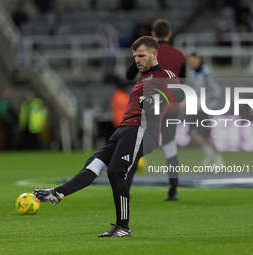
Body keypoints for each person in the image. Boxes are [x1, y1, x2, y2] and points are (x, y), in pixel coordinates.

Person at [33, 36, 184, 238]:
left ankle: (123, 227)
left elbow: (180, 95)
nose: (137, 60)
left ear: (154, 54)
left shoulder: (165, 74)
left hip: (142, 130)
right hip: (124, 129)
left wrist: (153, 100)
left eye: (141, 56)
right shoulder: (144, 78)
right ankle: (58, 193)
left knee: (115, 171)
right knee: (93, 164)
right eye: (135, 57)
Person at [126, 19, 186, 201]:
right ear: (169, 33)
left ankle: (125, 189)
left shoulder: (147, 53)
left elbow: (128, 74)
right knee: (169, 145)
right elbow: (182, 84)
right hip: (170, 108)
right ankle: (173, 190)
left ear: (153, 34)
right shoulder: (178, 55)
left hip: (149, 106)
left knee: (138, 148)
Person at [187, 53, 223, 166]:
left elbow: (216, 90)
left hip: (207, 108)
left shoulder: (206, 73)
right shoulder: (192, 74)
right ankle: (208, 152)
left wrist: (203, 100)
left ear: (199, 60)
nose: (191, 63)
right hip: (196, 107)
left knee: (206, 134)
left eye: (193, 61)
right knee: (191, 132)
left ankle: (218, 159)